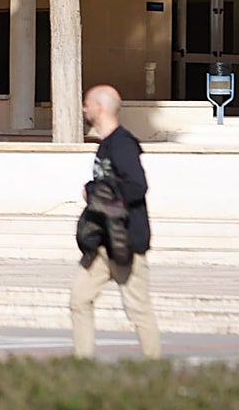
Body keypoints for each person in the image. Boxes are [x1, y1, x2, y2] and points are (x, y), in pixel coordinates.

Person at [69, 84, 160, 360]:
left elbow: (137, 187)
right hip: (101, 243)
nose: (84, 109)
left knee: (138, 310)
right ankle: (83, 364)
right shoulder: (105, 145)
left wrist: (96, 192)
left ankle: (155, 369)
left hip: (126, 243)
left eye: (87, 103)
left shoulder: (122, 144)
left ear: (99, 107)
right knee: (79, 300)